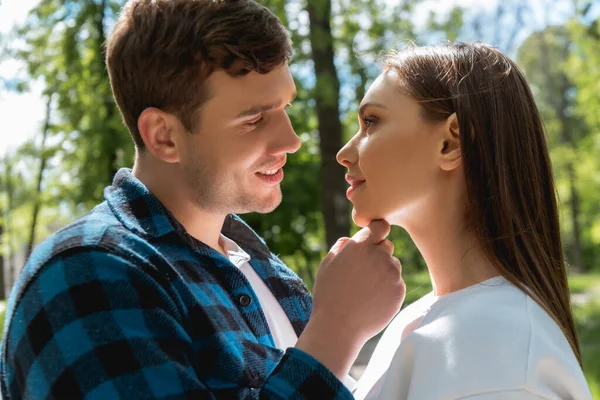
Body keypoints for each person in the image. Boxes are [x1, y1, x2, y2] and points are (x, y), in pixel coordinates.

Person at [0, 1, 405, 398]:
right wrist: (336, 330)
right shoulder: (86, 273)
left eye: (285, 107)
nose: (292, 140)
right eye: (254, 119)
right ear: (164, 135)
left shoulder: (257, 265)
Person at [337, 42, 593, 400]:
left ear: (451, 143)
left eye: (371, 122)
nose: (344, 153)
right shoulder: (428, 321)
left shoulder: (497, 348)